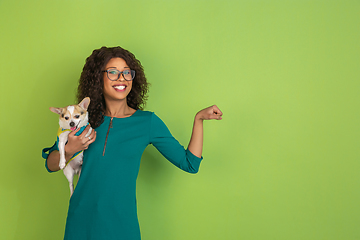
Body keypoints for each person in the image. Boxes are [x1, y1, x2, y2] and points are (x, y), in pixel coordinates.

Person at [42, 46, 223, 240]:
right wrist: (70, 149)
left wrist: (199, 119)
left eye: (126, 73)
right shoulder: (81, 120)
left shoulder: (147, 123)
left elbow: (190, 164)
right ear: (97, 78)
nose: (121, 78)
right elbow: (50, 165)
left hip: (121, 226)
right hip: (80, 223)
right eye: (113, 72)